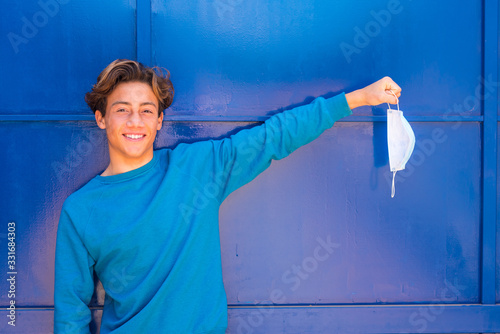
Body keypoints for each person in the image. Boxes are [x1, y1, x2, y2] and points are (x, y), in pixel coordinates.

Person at [54, 59, 401, 333]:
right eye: (121, 109)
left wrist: (358, 99)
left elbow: (273, 137)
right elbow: (70, 316)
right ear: (101, 118)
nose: (135, 121)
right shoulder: (80, 210)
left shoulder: (196, 168)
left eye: (147, 110)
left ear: (160, 120)